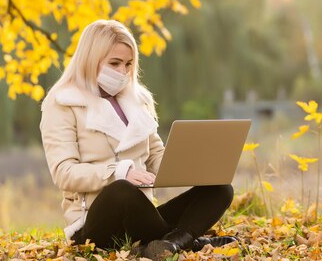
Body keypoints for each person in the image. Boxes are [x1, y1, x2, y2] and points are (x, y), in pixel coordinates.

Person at [39, 19, 237, 259]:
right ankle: (189, 240)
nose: (123, 72)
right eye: (115, 63)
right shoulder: (62, 103)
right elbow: (64, 172)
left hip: (142, 219)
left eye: (128, 64)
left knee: (221, 189)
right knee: (122, 189)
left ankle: (174, 242)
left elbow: (155, 156)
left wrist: (193, 166)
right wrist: (118, 172)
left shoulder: (138, 100)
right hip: (92, 225)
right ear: (90, 59)